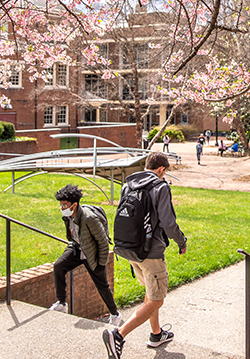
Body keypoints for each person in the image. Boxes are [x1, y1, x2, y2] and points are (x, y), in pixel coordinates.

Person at [103, 152, 187, 359]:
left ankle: (156, 334)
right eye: (164, 172)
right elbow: (168, 223)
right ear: (161, 169)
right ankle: (118, 335)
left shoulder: (128, 185)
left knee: (151, 292)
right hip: (151, 251)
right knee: (156, 300)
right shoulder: (160, 187)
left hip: (131, 249)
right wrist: (181, 241)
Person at [50, 184, 122, 325]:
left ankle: (115, 314)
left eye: (64, 205)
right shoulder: (69, 216)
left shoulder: (90, 218)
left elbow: (103, 242)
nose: (62, 208)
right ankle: (62, 303)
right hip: (77, 248)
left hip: (92, 254)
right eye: (61, 205)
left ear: (74, 205)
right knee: (59, 266)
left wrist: (101, 263)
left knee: (102, 285)